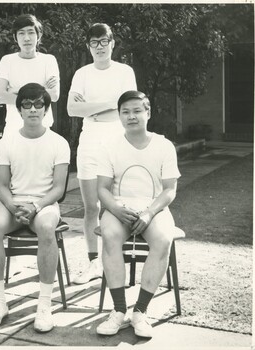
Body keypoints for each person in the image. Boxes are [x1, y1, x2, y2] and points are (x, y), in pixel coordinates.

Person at [0, 83, 70, 333]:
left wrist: (36, 206)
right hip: (15, 202)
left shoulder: (59, 142)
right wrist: (14, 206)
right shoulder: (7, 142)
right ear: (19, 110)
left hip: (44, 203)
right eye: (27, 105)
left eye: (38, 105)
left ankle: (44, 305)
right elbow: (1, 185)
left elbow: (58, 188)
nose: (33, 110)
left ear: (46, 109)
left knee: (45, 226)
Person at [96, 90, 181, 338]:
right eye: (125, 112)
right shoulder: (109, 146)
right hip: (119, 207)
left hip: (153, 208)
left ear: (148, 113)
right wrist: (115, 209)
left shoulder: (164, 145)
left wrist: (148, 213)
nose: (131, 116)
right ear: (119, 116)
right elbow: (102, 188)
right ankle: (119, 311)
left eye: (137, 111)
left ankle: (140, 312)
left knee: (163, 239)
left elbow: (169, 190)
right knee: (110, 235)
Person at [67, 23, 137, 284]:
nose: (99, 46)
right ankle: (94, 263)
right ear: (88, 46)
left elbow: (128, 107)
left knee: (118, 203)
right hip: (90, 140)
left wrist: (92, 107)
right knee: (90, 207)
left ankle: (115, 260)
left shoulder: (124, 71)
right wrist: (110, 103)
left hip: (117, 141)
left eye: (103, 41)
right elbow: (72, 109)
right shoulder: (82, 73)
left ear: (112, 43)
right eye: (94, 42)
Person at [0, 14, 60, 136]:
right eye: (21, 33)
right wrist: (42, 91)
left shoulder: (49, 60)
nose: (26, 38)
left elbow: (54, 95)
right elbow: (1, 97)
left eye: (31, 32)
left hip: (43, 130)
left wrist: (15, 91)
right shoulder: (7, 61)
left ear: (38, 36)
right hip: (13, 129)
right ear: (15, 37)